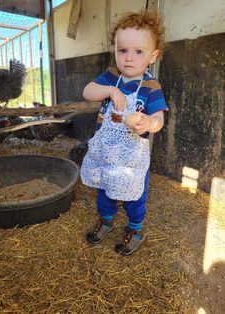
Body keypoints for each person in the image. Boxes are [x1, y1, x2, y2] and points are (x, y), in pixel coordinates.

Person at [81, 10, 168, 255]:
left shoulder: (151, 86)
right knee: (105, 190)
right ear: (116, 51)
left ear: (153, 56)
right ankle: (106, 220)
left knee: (134, 196)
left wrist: (149, 123)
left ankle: (135, 227)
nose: (128, 58)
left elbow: (159, 119)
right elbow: (88, 92)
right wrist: (109, 91)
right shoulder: (110, 76)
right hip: (107, 152)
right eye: (122, 51)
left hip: (132, 158)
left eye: (138, 52)